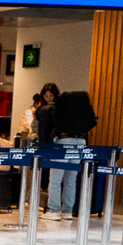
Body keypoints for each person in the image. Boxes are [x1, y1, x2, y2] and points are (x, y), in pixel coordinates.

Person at [36, 82, 81, 221]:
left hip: (62, 142)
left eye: (50, 95)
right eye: (46, 96)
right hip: (79, 142)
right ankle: (67, 211)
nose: (49, 98)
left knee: (55, 179)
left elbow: (43, 131)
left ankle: (54, 210)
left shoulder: (46, 109)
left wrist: (43, 148)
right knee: (70, 179)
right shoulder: (68, 107)